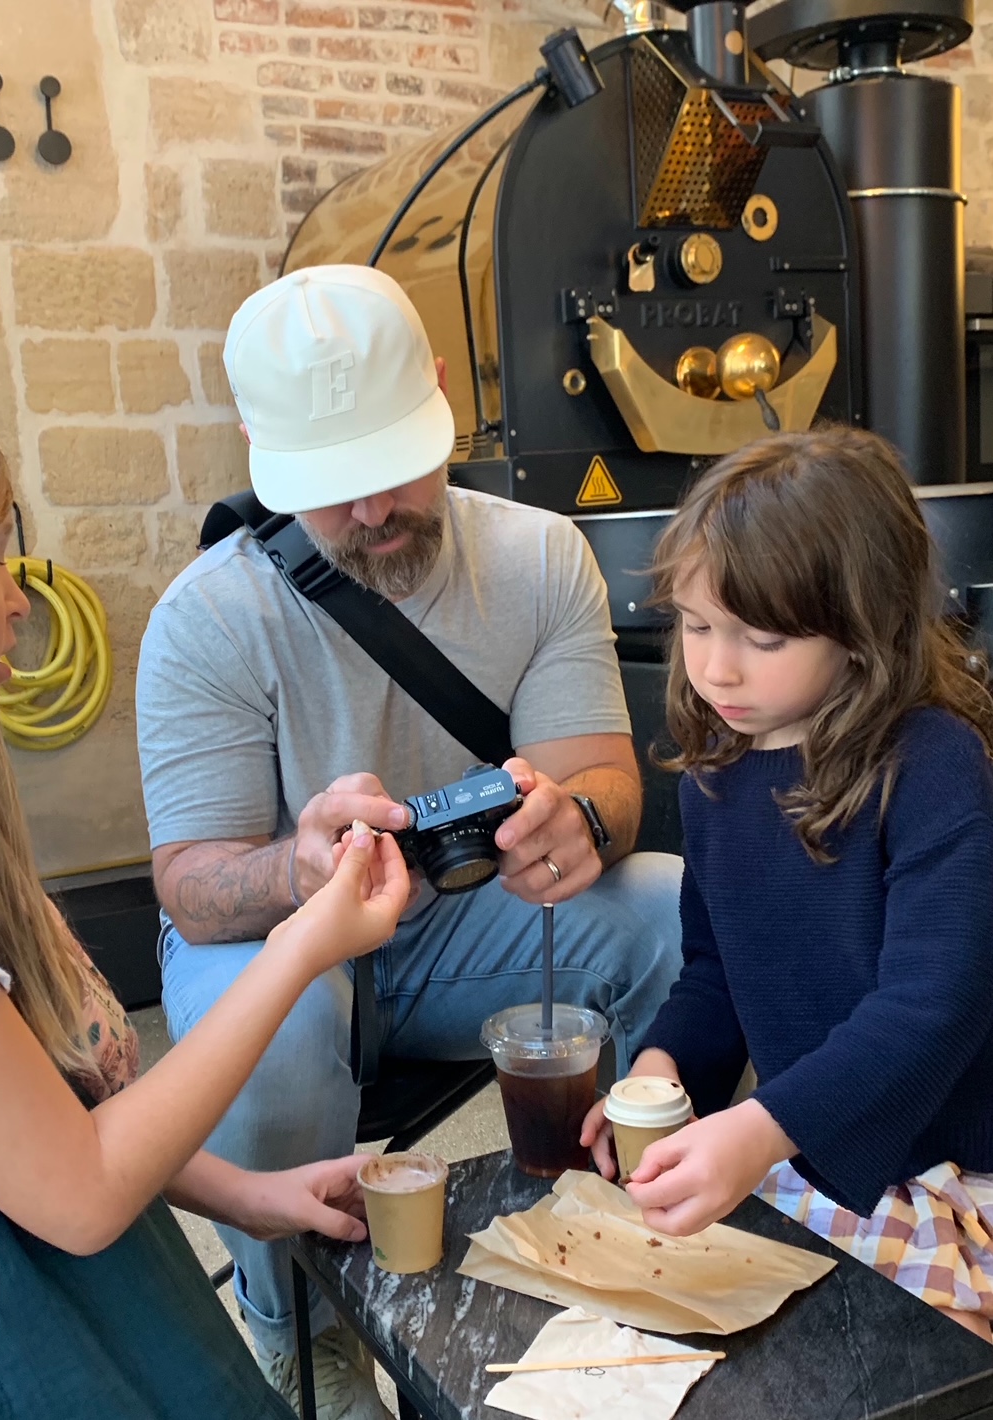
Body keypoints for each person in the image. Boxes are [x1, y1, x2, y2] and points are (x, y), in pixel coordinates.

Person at [136, 262, 683, 1418]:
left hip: (463, 924)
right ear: (257, 448)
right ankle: (300, 1324)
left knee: (671, 907)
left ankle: (643, 1228)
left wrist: (578, 823)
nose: (373, 511)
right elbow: (188, 888)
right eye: (330, 489)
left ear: (441, 393)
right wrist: (300, 867)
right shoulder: (208, 615)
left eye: (392, 466)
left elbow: (605, 782)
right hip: (288, 934)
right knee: (280, 1016)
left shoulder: (537, 555)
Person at [0, 358, 413, 1418]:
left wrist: (244, 1194)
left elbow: (38, 1113)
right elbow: (75, 1186)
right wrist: (306, 938)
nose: (19, 594)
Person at [580, 426, 993, 1340]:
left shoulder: (934, 765)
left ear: (863, 628)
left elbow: (933, 1007)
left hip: (960, 1169)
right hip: (816, 1145)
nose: (717, 666)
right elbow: (717, 974)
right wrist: (662, 1070)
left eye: (761, 638)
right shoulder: (715, 776)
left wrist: (761, 1127)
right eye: (693, 626)